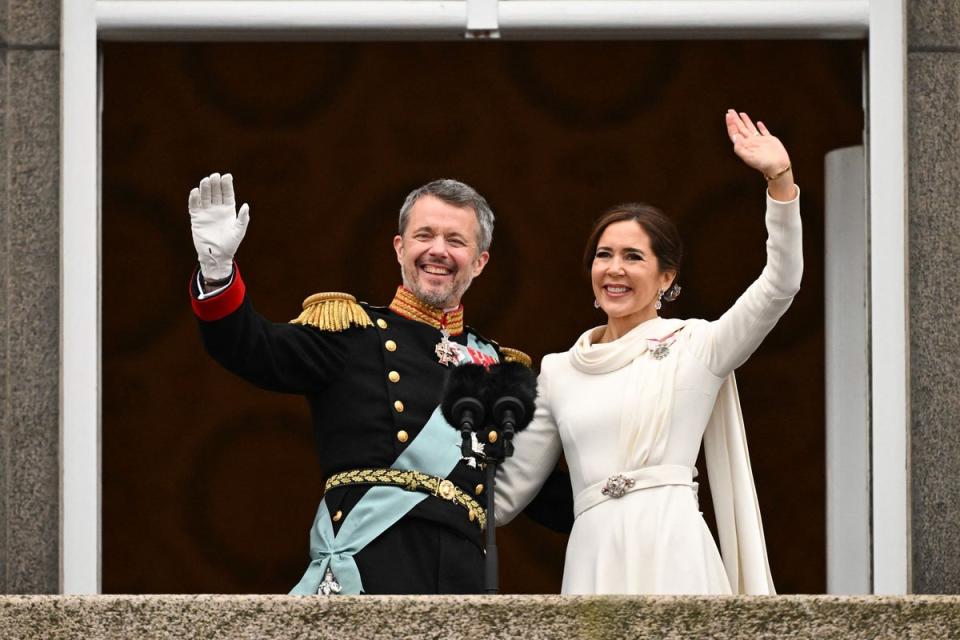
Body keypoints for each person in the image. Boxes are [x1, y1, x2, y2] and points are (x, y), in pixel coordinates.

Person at [493, 110, 801, 595]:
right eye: (604, 254)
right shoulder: (558, 370)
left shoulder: (698, 346)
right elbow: (505, 495)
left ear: (666, 277)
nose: (614, 269)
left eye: (633, 257)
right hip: (593, 558)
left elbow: (780, 285)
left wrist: (779, 182)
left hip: (673, 549)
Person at [187, 175, 533, 595]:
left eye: (455, 240)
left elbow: (539, 483)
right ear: (400, 248)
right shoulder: (351, 333)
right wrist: (217, 270)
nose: (438, 250)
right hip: (371, 566)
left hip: (461, 579)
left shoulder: (499, 371)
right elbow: (252, 348)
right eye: (424, 235)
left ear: (479, 261)